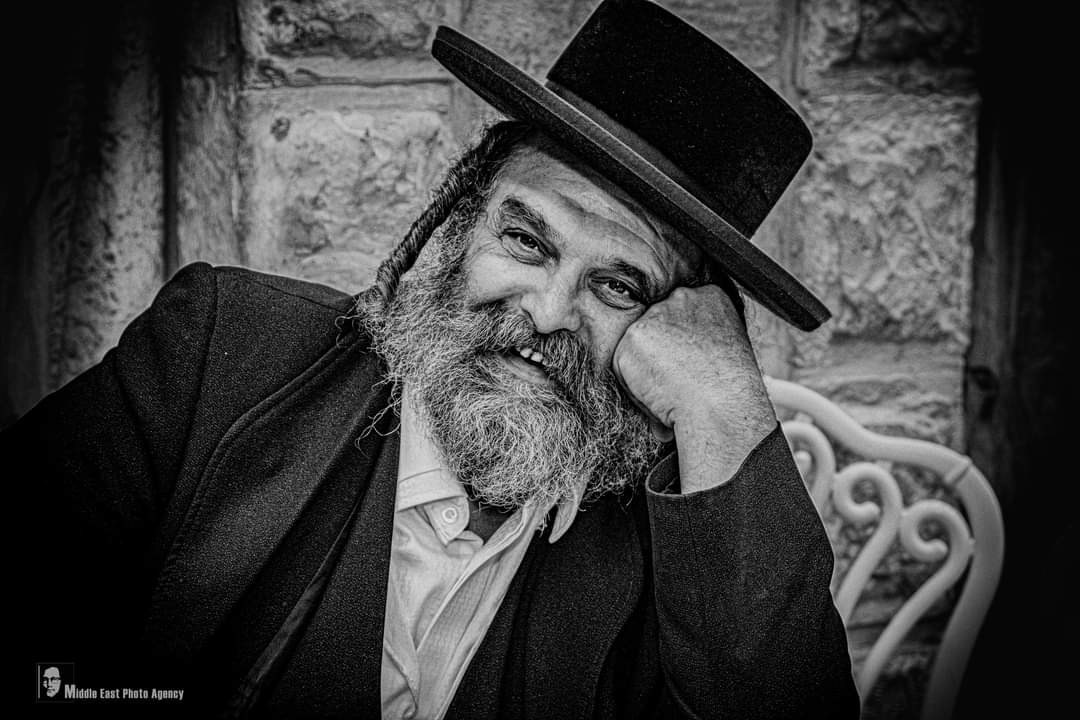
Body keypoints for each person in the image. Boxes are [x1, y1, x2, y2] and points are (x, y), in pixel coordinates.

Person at [9, 1, 858, 717]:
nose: (547, 313)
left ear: (680, 332)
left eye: (619, 288)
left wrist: (726, 405)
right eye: (526, 240)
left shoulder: (678, 534)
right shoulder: (219, 350)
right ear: (459, 228)